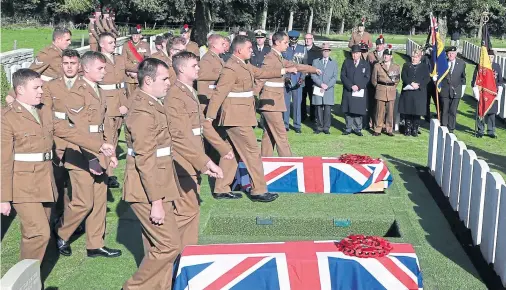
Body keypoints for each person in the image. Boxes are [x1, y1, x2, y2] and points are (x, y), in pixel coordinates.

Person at [122, 58, 222, 290]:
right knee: (169, 245)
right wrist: (156, 201)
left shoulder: (153, 103)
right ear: (148, 81)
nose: (170, 82)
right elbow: (145, 161)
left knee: (157, 246)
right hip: (148, 189)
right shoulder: (143, 112)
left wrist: (204, 162)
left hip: (161, 182)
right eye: (165, 79)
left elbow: (175, 138)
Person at [1, 68, 115, 265]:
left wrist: (99, 145)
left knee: (35, 234)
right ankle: (24, 281)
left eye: (41, 87)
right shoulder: (6, 117)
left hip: (44, 180)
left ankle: (30, 278)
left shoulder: (43, 110)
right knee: (39, 234)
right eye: (36, 87)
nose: (41, 91)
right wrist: (3, 198)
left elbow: (67, 132)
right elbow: (3, 160)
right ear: (20, 89)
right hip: (22, 184)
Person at [206, 35, 296, 202]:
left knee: (232, 153)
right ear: (239, 50)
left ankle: (221, 188)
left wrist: (284, 70)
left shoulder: (244, 64)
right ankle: (258, 190)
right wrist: (209, 117)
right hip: (236, 118)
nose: (252, 50)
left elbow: (262, 73)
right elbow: (219, 93)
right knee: (252, 152)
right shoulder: (231, 68)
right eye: (249, 48)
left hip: (241, 116)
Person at [55, 51, 122, 258]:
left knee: (99, 202)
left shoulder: (98, 90)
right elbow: (78, 131)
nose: (104, 72)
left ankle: (95, 244)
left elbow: (105, 126)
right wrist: (92, 158)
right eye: (100, 68)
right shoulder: (76, 92)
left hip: (98, 152)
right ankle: (61, 232)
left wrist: (110, 153)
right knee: (84, 202)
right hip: (80, 155)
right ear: (86, 68)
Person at [166, 52, 233, 243]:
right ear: (181, 68)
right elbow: (179, 135)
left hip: (194, 154)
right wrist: (205, 161)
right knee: (186, 209)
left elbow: (202, 124)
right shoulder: (176, 95)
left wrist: (222, 148)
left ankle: (188, 251)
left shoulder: (188, 91)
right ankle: (172, 255)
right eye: (194, 65)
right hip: (184, 157)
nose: (198, 68)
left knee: (192, 207)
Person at [258, 31, 319, 157]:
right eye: (285, 42)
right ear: (277, 42)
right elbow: (262, 77)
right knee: (281, 135)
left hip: (274, 103)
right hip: (270, 103)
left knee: (269, 135)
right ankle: (289, 165)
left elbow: (295, 65)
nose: (288, 45)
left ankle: (265, 162)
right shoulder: (270, 58)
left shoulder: (278, 57)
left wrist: (313, 70)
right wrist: (284, 70)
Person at [98, 32, 136, 188]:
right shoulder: (97, 60)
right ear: (102, 44)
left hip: (121, 102)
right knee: (107, 138)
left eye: (114, 42)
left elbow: (134, 67)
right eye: (111, 43)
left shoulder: (119, 59)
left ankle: (108, 171)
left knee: (114, 136)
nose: (114, 45)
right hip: (105, 103)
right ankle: (108, 174)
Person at [341, 44, 371, 136]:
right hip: (349, 90)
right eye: (353, 53)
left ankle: (358, 128)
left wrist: (358, 86)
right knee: (348, 110)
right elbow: (343, 76)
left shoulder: (365, 64)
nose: (355, 55)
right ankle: (348, 128)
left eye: (357, 53)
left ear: (360, 54)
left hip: (359, 90)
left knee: (358, 110)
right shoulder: (347, 62)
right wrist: (350, 86)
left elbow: (367, 77)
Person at [472, 49, 503, 138]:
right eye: (488, 57)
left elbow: (500, 80)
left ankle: (491, 131)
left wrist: (499, 93)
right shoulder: (480, 66)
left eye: (492, 57)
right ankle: (480, 130)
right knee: (481, 112)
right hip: (483, 93)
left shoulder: (496, 66)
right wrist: (476, 93)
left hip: (492, 94)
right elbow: (475, 80)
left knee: (492, 113)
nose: (490, 58)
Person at [398, 49, 430, 137]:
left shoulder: (424, 67)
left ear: (420, 57)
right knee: (408, 110)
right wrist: (411, 83)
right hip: (408, 91)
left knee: (417, 111)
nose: (413, 59)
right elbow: (404, 76)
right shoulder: (406, 65)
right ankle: (407, 128)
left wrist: (419, 85)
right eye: (412, 57)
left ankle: (415, 129)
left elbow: (427, 78)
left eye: (415, 57)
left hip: (419, 92)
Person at [371, 45, 401, 136]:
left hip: (391, 90)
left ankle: (389, 129)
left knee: (390, 112)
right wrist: (380, 87)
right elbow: (374, 80)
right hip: (381, 89)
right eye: (384, 55)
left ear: (391, 56)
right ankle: (378, 129)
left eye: (387, 55)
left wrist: (391, 87)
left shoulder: (396, 67)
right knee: (379, 111)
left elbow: (397, 80)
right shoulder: (377, 66)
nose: (385, 56)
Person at [282, 30, 307, 133]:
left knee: (297, 104)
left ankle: (297, 125)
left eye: (294, 40)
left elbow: (305, 66)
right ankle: (285, 124)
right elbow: (281, 64)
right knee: (286, 104)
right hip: (287, 80)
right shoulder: (285, 48)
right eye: (291, 40)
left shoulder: (303, 49)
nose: (293, 41)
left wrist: (302, 78)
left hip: (298, 80)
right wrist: (285, 77)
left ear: (297, 39)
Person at [311, 43, 338, 134]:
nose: (325, 52)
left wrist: (327, 86)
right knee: (318, 108)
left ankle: (326, 127)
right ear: (321, 52)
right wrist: (321, 84)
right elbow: (313, 75)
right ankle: (319, 127)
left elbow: (334, 77)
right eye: (324, 51)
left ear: (329, 52)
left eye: (327, 51)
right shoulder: (316, 61)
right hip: (318, 87)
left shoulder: (333, 63)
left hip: (328, 89)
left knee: (327, 108)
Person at [438, 46, 466, 133]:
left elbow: (463, 78)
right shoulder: (443, 63)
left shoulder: (461, 63)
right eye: (449, 53)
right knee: (445, 109)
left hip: (456, 90)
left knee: (453, 111)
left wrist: (462, 90)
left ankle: (451, 129)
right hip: (445, 90)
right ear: (447, 54)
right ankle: (444, 127)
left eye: (453, 53)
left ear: (456, 54)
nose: (451, 55)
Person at [122, 25, 151, 95]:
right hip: (129, 76)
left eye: (137, 35)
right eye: (133, 35)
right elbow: (123, 60)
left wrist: (138, 72)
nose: (135, 37)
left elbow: (147, 60)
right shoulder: (126, 45)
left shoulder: (145, 45)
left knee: (140, 97)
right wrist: (130, 71)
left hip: (140, 76)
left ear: (140, 35)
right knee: (130, 97)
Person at [366, 34, 386, 129]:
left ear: (384, 45)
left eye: (381, 45)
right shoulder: (370, 54)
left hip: (382, 83)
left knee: (381, 106)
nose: (379, 46)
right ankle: (371, 122)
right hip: (372, 83)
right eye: (377, 44)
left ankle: (380, 123)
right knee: (371, 104)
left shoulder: (387, 55)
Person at [301, 33, 322, 122]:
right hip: (302, 78)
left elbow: (319, 65)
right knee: (302, 98)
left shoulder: (317, 51)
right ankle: (302, 116)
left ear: (312, 39)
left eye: (309, 38)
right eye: (306, 39)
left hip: (312, 78)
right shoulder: (301, 49)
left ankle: (313, 117)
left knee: (312, 98)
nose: (307, 40)